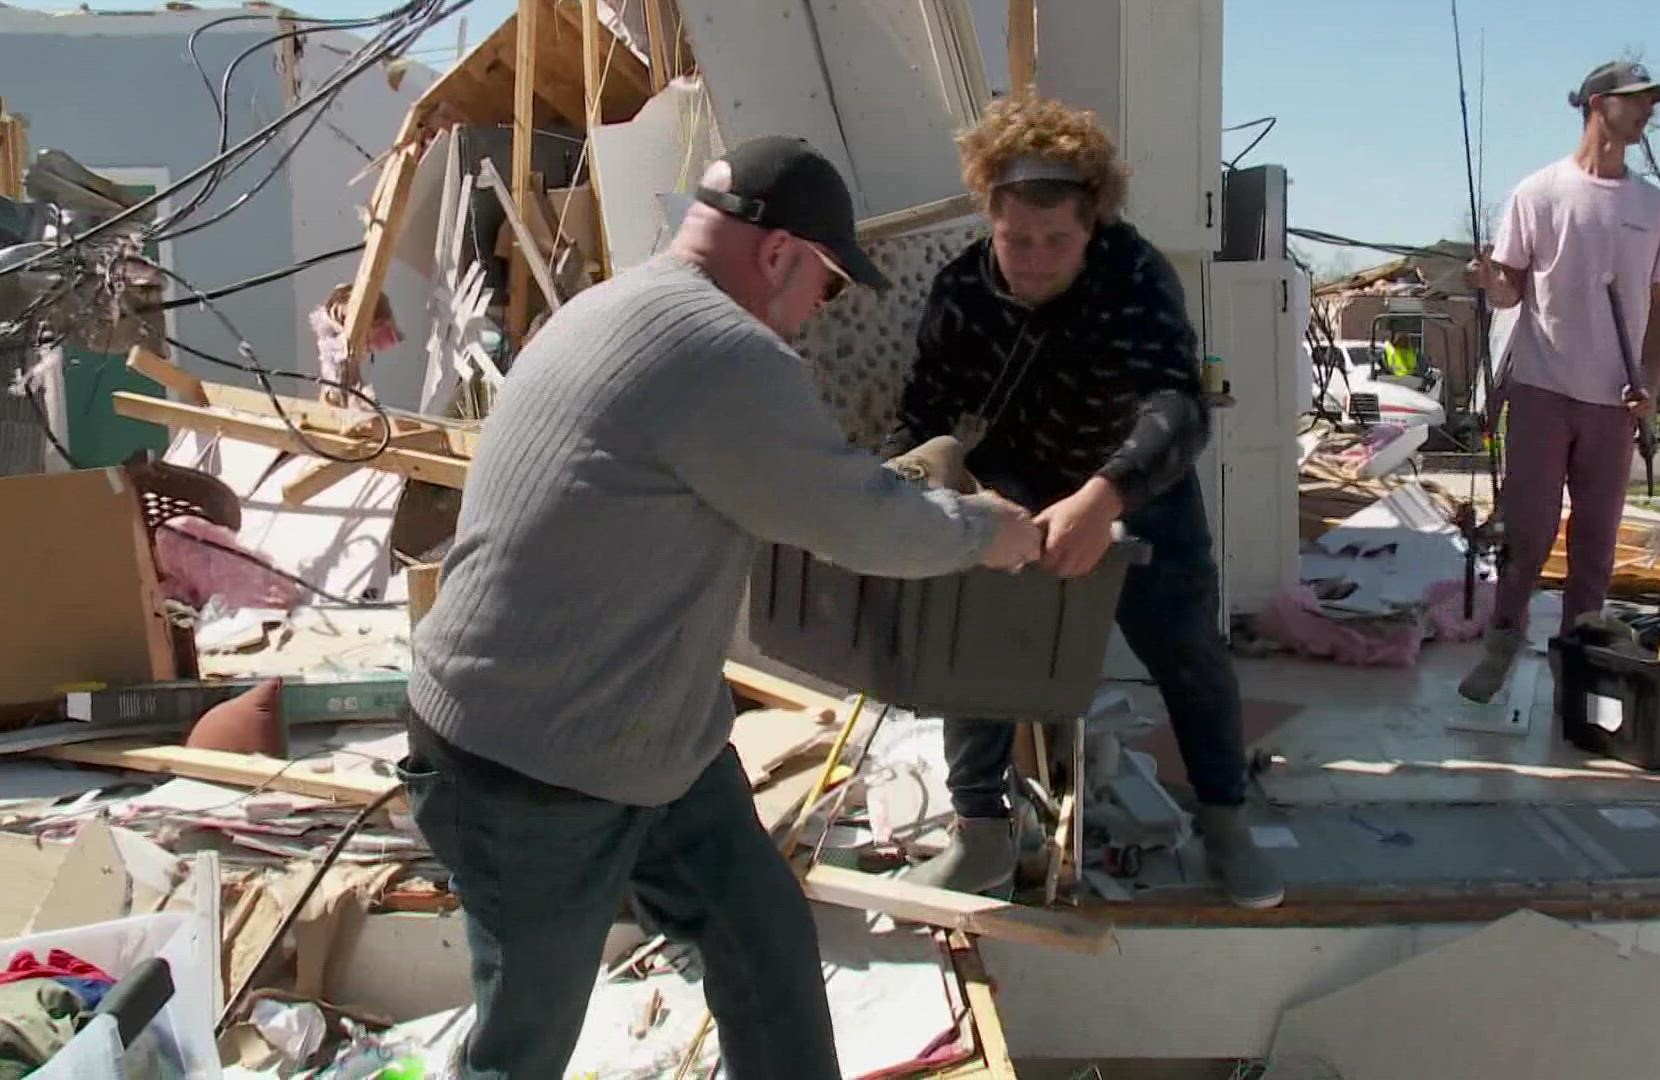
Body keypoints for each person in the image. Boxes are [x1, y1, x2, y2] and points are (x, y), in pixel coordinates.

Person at [402, 136, 1043, 1080]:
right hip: (527, 759)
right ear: (779, 254)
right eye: (824, 288)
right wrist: (985, 530)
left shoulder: (611, 305)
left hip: (651, 741)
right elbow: (859, 525)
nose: (815, 317)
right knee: (523, 1041)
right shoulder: (722, 351)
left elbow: (787, 488)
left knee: (763, 941)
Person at [880, 95, 1286, 910]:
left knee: (1187, 652)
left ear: (1091, 224)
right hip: (1013, 482)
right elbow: (923, 415)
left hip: (1129, 477)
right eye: (1015, 240)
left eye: (1056, 241)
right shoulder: (961, 291)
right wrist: (966, 495)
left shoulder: (1133, 274)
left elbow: (1178, 406)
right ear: (989, 219)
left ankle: (1223, 822)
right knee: (981, 651)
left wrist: (1105, 498)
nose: (1033, 260)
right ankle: (980, 836)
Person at [1459, 60, 1660, 701]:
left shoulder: (1655, 206)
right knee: (1528, 534)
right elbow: (1508, 292)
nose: (1648, 112)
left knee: (1596, 546)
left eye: (1652, 102)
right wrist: (1486, 278)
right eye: (1637, 100)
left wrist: (1651, 386)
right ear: (1597, 103)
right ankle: (1503, 643)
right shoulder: (1539, 193)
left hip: (1614, 402)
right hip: (1540, 387)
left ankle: (1579, 669)